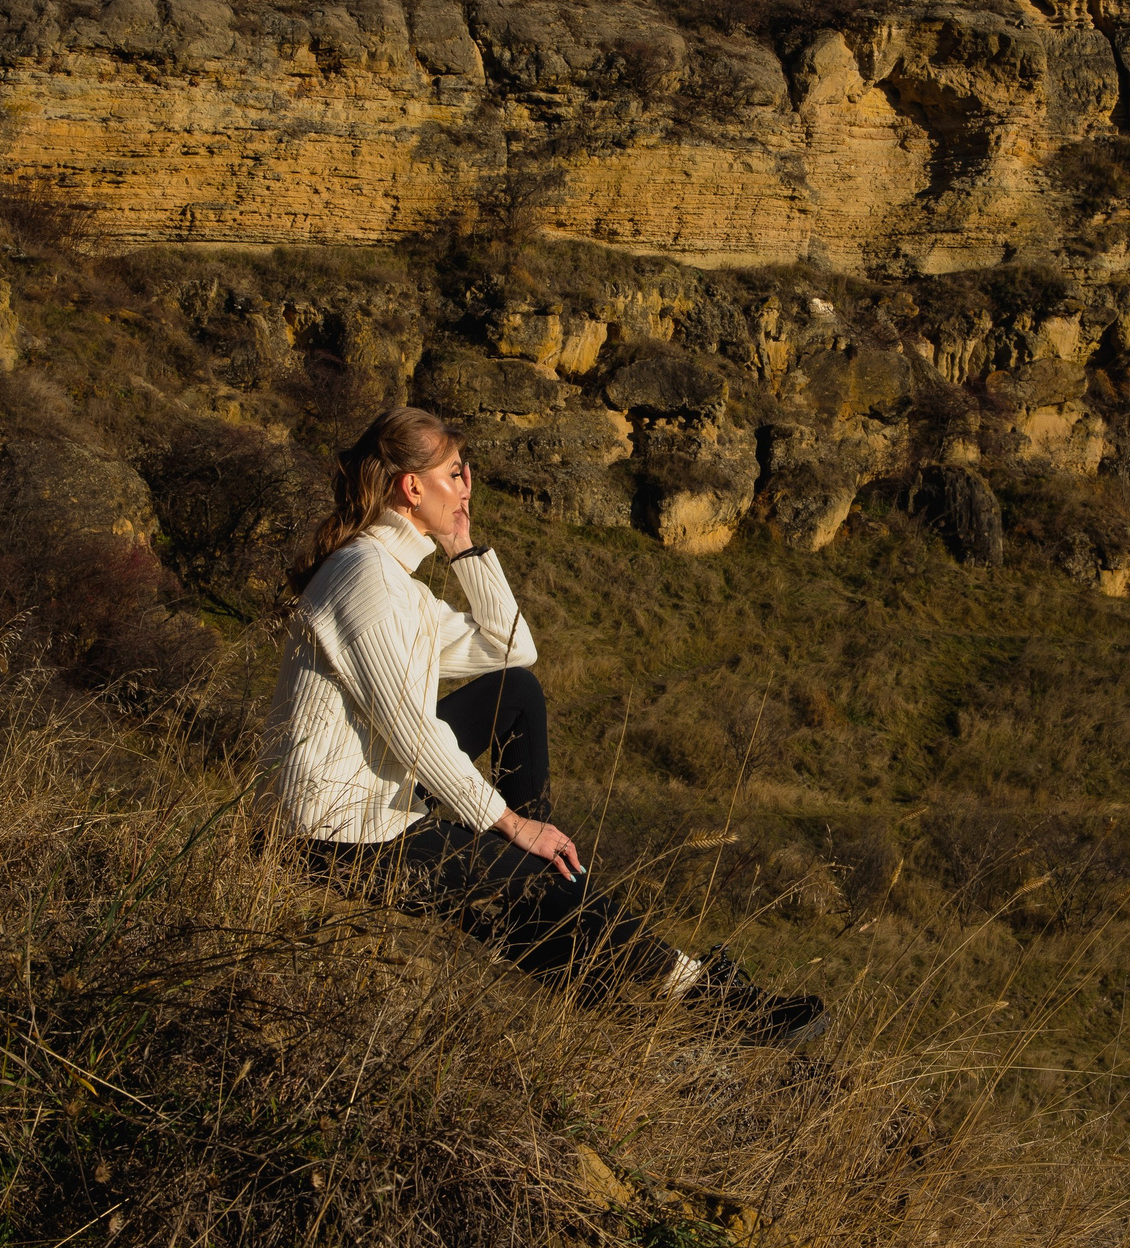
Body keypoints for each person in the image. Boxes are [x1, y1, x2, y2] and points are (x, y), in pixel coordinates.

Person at [258, 406, 826, 1045]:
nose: (468, 485)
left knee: (516, 693)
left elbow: (510, 648)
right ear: (411, 488)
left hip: (373, 799)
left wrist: (464, 550)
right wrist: (510, 824)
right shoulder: (366, 581)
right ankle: (705, 998)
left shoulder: (401, 585)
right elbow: (413, 733)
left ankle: (566, 897)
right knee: (524, 868)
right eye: (454, 472)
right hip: (335, 834)